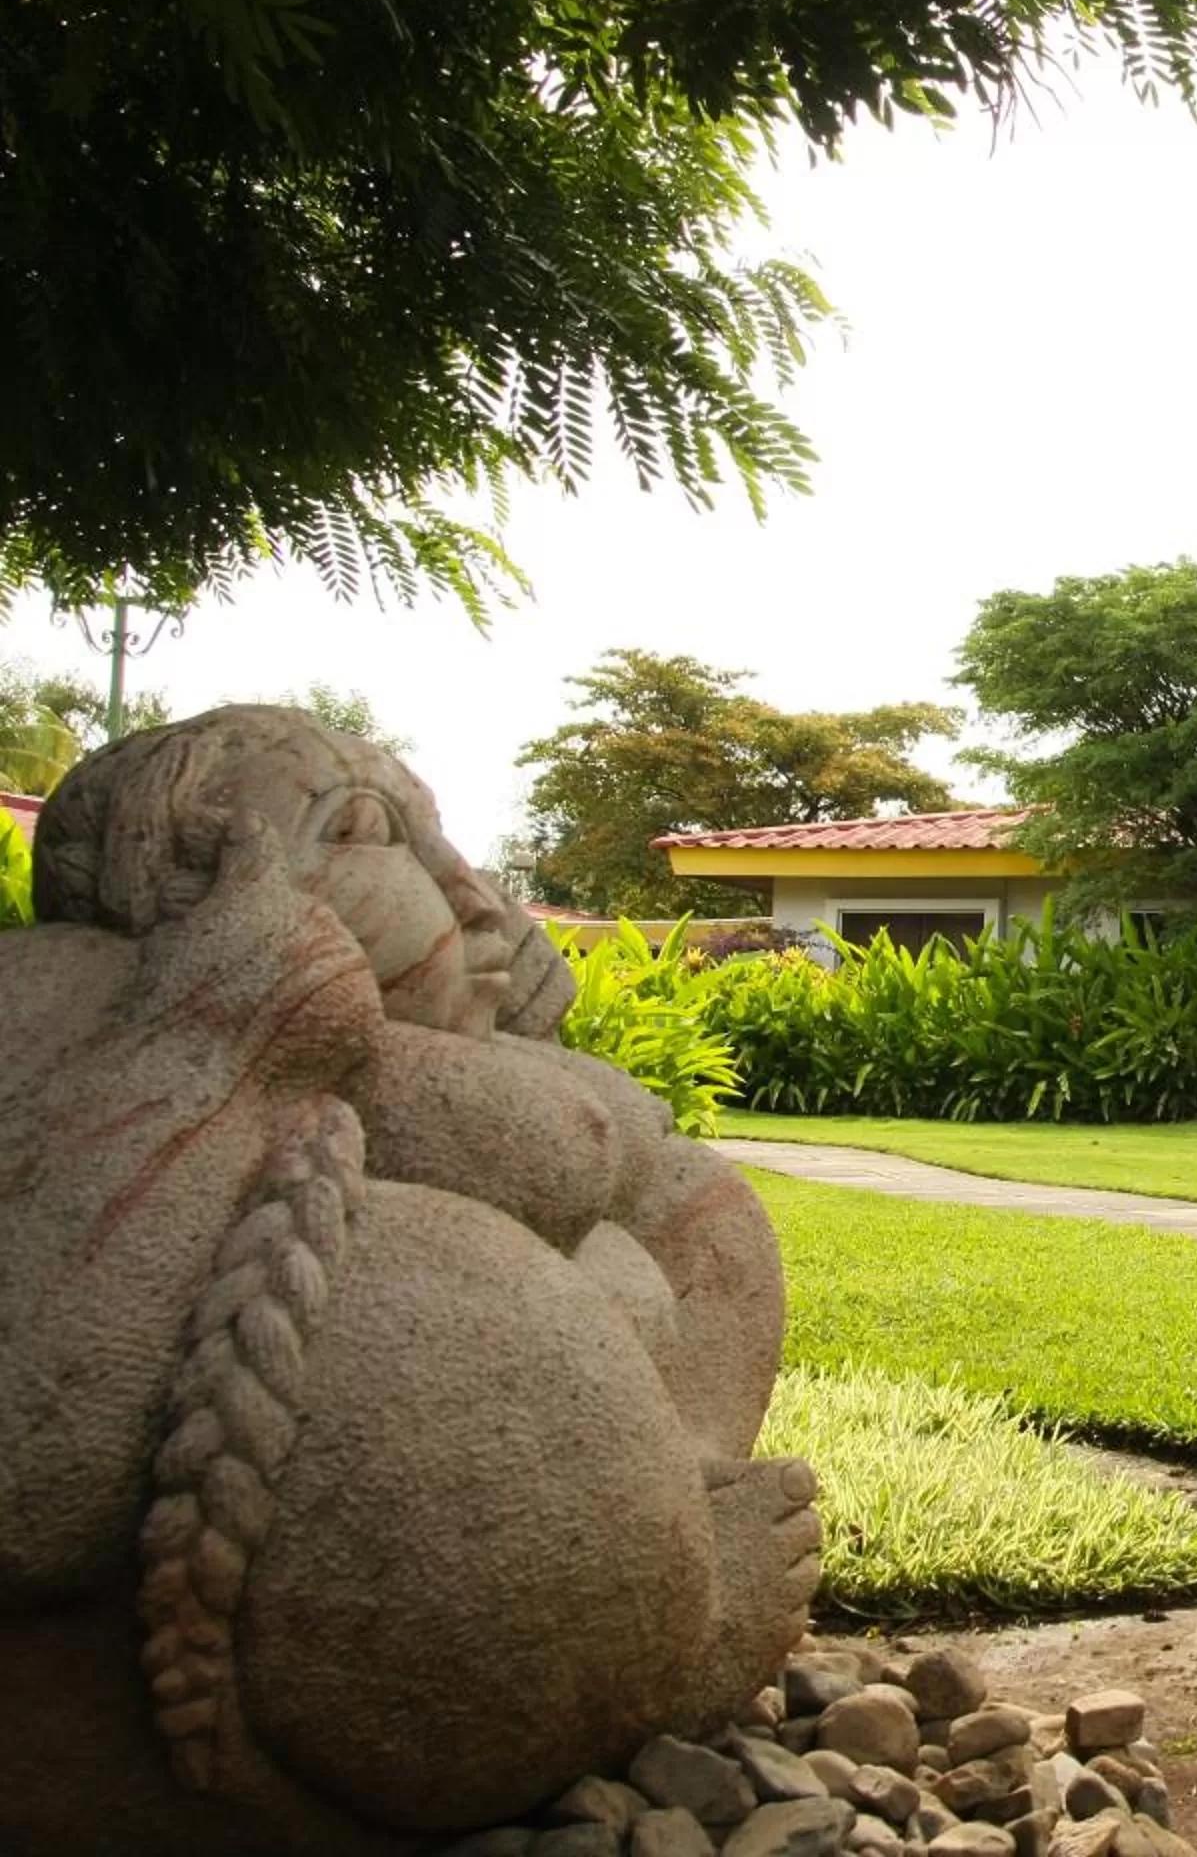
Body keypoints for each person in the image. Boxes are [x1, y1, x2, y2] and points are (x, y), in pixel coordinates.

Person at [0, 707, 818, 1853]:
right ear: (196, 874)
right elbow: (33, 1473)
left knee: (699, 1215)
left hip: (461, 1632)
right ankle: (661, 1622)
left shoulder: (429, 1060)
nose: (473, 894)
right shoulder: (68, 1005)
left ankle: (681, 1545)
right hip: (264, 1689)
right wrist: (212, 1043)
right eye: (377, 832)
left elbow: (599, 1142)